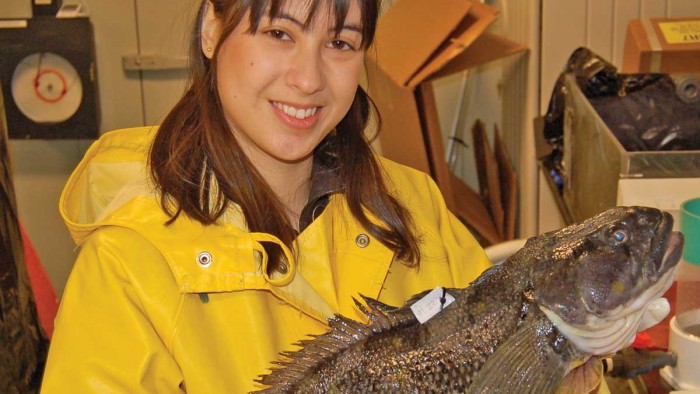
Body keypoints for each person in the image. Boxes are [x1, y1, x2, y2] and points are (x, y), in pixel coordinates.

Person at [40, 0, 491, 392]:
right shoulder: (127, 261)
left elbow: (505, 356)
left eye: (340, 43)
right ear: (212, 30)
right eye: (279, 33)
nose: (309, 79)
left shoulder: (413, 203)